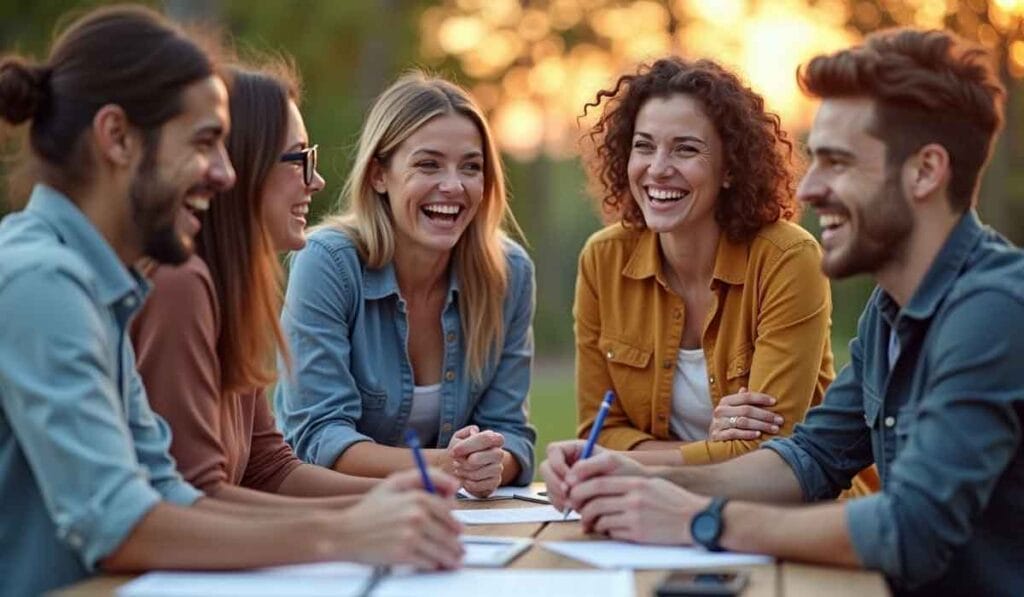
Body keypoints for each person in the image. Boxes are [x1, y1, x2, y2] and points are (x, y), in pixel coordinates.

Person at [542, 28, 1023, 596]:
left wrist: (703, 520)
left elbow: (910, 529)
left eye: (838, 163)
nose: (811, 188)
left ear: (925, 171)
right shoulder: (890, 310)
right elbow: (809, 458)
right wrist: (644, 477)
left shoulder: (995, 310)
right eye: (815, 159)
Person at [0, 8, 461, 596]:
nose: (224, 174)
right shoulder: (40, 283)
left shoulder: (102, 286)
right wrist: (343, 534)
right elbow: (120, 524)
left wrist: (368, 516)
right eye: (203, 145)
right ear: (116, 137)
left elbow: (170, 494)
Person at [575, 56, 876, 493]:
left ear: (730, 167)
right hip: (653, 510)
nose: (658, 168)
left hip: (796, 512)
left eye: (686, 149)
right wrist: (710, 448)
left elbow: (774, 451)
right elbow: (596, 435)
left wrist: (637, 463)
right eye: (644, 146)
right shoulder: (603, 260)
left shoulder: (787, 258)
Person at [274, 72, 536, 497]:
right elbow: (317, 436)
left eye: (471, 167)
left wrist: (492, 464)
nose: (453, 186)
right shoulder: (327, 263)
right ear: (379, 175)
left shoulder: (509, 273)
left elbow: (511, 433)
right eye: (428, 164)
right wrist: (446, 465)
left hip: (457, 522)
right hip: (334, 513)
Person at [131, 60, 380, 506]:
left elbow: (268, 468)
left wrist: (411, 493)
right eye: (300, 159)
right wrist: (358, 522)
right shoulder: (179, 287)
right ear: (241, 165)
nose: (317, 181)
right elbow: (193, 498)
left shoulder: (232, 293)